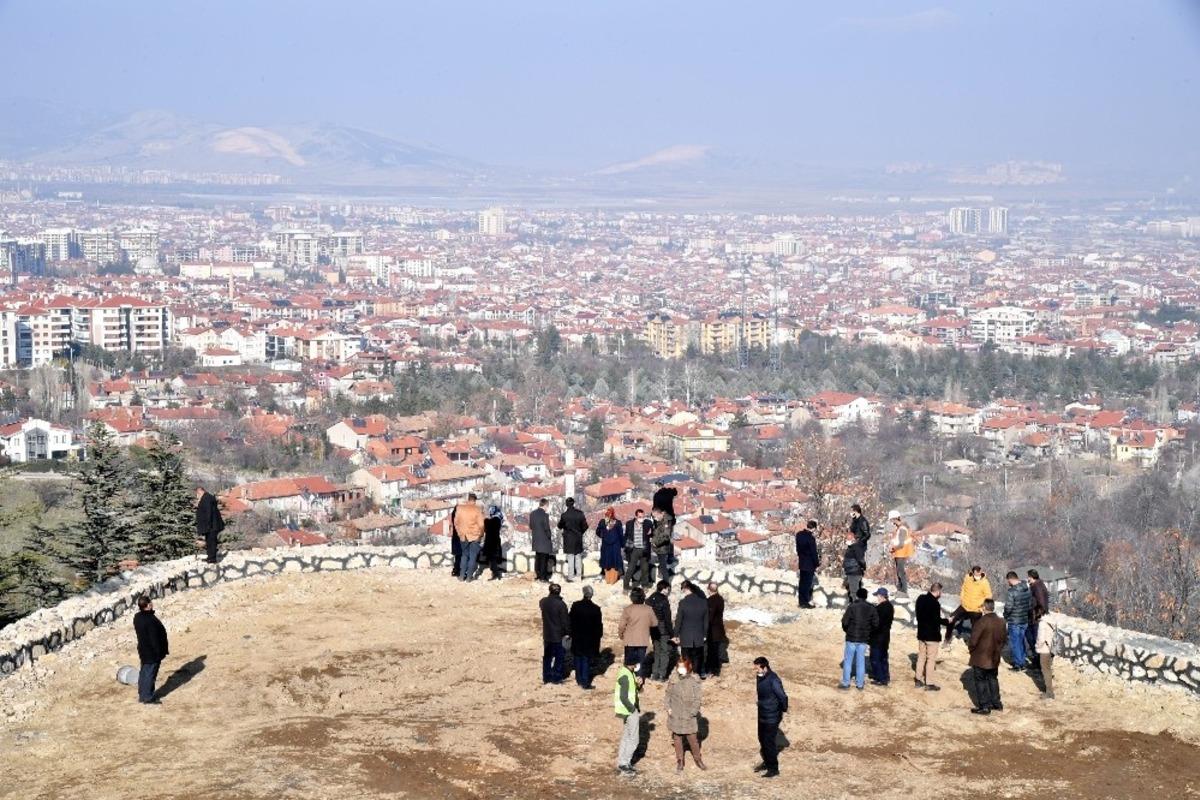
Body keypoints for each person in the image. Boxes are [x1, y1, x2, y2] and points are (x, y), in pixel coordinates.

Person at [665, 655, 706, 772]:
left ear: (688, 667)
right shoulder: (673, 679)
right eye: (679, 667)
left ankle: (698, 759)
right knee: (677, 738)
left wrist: (693, 712)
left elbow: (698, 699)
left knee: (693, 739)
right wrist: (668, 708)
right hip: (676, 714)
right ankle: (680, 761)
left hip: (688, 715)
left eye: (683, 667)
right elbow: (667, 695)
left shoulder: (694, 680)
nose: (680, 669)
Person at [968, 598, 1008, 715]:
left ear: (984, 608)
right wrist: (998, 650)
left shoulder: (981, 622)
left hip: (981, 657)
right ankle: (997, 703)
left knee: (980, 681)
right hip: (994, 656)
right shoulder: (1001, 622)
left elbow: (973, 641)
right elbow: (1004, 640)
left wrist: (972, 650)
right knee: (993, 679)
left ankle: (984, 706)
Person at [753, 656, 787, 779]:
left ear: (764, 667)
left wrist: (782, 710)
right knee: (762, 739)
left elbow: (783, 696)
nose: (756, 670)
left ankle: (773, 769)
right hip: (762, 714)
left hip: (771, 716)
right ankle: (767, 762)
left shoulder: (774, 680)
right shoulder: (760, 676)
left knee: (769, 742)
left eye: (757, 668)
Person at [133, 595, 169, 704]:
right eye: (150, 602)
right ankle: (148, 697)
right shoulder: (150, 620)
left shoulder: (137, 617)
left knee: (144, 672)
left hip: (143, 650)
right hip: (152, 652)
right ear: (148, 605)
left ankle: (142, 694)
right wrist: (159, 653)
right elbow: (154, 638)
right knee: (150, 674)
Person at [840, 587, 877, 690]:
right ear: (866, 596)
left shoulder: (852, 606)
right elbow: (875, 623)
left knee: (848, 661)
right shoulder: (871, 608)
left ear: (857, 595)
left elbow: (844, 622)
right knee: (861, 662)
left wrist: (847, 631)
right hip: (863, 639)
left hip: (851, 638)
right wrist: (868, 632)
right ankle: (860, 684)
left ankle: (846, 683)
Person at [944, 566, 992, 645]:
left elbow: (988, 596)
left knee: (976, 628)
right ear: (973, 572)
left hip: (976, 609)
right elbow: (963, 589)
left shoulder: (984, 582)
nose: (978, 573)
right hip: (964, 606)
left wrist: (982, 607)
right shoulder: (967, 578)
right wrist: (962, 598)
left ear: (981, 572)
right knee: (951, 619)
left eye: (979, 572)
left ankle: (973, 645)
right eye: (976, 572)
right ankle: (947, 639)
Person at [614, 651, 644, 776]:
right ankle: (624, 763)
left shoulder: (628, 672)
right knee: (634, 739)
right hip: (629, 711)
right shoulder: (626, 676)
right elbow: (623, 697)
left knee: (626, 736)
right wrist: (632, 709)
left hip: (626, 711)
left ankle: (622, 762)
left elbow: (634, 691)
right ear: (633, 663)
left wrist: (638, 685)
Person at [914, 582, 947, 691]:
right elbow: (936, 620)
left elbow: (919, 615)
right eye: (941, 592)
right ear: (938, 591)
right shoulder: (935, 604)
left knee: (921, 657)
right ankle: (929, 683)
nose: (941, 594)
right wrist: (947, 621)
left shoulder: (920, 599)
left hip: (921, 634)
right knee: (931, 659)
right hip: (932, 636)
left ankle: (918, 679)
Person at [569, 585, 604, 690]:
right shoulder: (595, 609)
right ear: (591, 595)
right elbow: (598, 626)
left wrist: (570, 633)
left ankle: (579, 679)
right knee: (585, 659)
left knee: (577, 657)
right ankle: (584, 682)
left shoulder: (576, 606)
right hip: (589, 639)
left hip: (577, 636)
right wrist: (598, 637)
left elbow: (570, 620)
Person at [673, 580, 709, 679]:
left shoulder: (683, 602)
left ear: (686, 589)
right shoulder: (704, 602)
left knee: (685, 657)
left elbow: (678, 620)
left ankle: (685, 674)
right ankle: (696, 673)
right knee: (698, 656)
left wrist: (675, 635)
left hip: (686, 635)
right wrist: (705, 634)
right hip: (699, 635)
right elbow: (706, 621)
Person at [618, 587, 656, 676]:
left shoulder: (627, 609)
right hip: (642, 640)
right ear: (643, 597)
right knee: (639, 662)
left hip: (629, 640)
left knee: (628, 662)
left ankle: (628, 679)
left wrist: (621, 635)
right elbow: (654, 623)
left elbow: (621, 626)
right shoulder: (648, 609)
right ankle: (638, 680)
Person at [539, 582, 571, 684]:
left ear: (549, 591)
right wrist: (568, 633)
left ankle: (546, 677)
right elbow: (565, 622)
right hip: (558, 636)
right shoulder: (561, 605)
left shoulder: (543, 602)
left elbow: (541, 604)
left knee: (547, 657)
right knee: (559, 657)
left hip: (547, 634)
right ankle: (556, 678)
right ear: (559, 592)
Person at [1003, 570, 1033, 670]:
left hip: (1014, 621)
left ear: (1010, 579)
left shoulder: (1011, 592)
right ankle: (1022, 661)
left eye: (1008, 581)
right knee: (1021, 641)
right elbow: (1030, 605)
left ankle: (1018, 664)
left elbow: (1008, 607)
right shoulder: (1027, 588)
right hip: (1024, 620)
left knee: (1015, 643)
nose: (1008, 583)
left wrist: (1005, 616)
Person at [646, 580, 675, 682]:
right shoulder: (664, 600)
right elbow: (667, 619)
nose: (669, 591)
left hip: (653, 628)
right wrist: (672, 634)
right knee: (664, 652)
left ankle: (654, 674)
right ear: (664, 589)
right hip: (663, 629)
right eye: (668, 589)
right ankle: (662, 675)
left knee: (657, 651)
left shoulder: (650, 599)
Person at [454, 493, 485, 582]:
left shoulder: (460, 508)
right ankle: (469, 577)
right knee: (473, 557)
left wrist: (459, 533)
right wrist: (481, 534)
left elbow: (456, 523)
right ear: (475, 500)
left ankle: (461, 576)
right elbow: (481, 525)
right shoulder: (477, 509)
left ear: (468, 499)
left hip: (463, 536)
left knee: (464, 556)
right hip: (475, 536)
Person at [557, 498, 589, 582]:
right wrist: (580, 532)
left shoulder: (564, 515)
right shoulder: (580, 513)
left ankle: (570, 577)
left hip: (568, 539)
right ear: (573, 503)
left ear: (566, 504)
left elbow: (559, 526)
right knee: (578, 556)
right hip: (578, 538)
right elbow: (585, 526)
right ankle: (579, 576)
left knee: (570, 557)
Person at [868, 587, 894, 687]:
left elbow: (876, 624)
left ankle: (880, 678)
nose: (877, 598)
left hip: (877, 637)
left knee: (875, 658)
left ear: (881, 596)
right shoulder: (890, 606)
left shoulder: (879, 608)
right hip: (886, 636)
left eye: (878, 596)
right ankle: (886, 676)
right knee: (883, 657)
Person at [623, 509, 652, 591]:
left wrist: (651, 532)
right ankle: (625, 586)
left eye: (643, 517)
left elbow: (653, 532)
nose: (641, 518)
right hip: (634, 550)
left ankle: (645, 585)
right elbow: (626, 535)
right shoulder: (629, 524)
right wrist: (625, 545)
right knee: (630, 568)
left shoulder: (648, 523)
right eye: (640, 517)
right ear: (636, 516)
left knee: (645, 569)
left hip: (644, 549)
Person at [195, 486, 224, 564]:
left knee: (211, 542)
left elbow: (208, 512)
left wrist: (208, 525)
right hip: (212, 524)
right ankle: (210, 557)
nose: (197, 496)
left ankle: (212, 559)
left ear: (199, 491)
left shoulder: (206, 498)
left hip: (211, 525)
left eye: (197, 494)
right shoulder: (207, 497)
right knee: (209, 541)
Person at [887, 510, 913, 596]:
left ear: (894, 519)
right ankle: (900, 590)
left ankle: (903, 591)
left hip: (901, 553)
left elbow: (901, 544)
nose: (891, 522)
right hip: (899, 553)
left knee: (901, 573)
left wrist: (893, 549)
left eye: (891, 520)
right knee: (899, 572)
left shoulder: (902, 529)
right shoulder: (900, 528)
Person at [1027, 569, 1050, 664]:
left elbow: (1041, 603)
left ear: (1032, 577)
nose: (1027, 579)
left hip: (1036, 617)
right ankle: (1038, 660)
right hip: (1035, 616)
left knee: (1035, 639)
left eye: (1028, 577)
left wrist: (1037, 615)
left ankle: (1038, 661)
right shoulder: (1038, 584)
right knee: (1034, 638)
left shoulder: (1037, 587)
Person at [795, 519, 820, 609]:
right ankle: (805, 602)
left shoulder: (799, 535)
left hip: (802, 562)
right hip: (809, 564)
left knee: (802, 583)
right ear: (814, 528)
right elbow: (814, 553)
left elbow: (798, 549)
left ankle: (801, 601)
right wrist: (817, 563)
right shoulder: (811, 538)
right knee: (807, 584)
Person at [705, 582, 728, 678]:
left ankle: (712, 671)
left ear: (708, 589)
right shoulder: (720, 599)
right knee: (715, 651)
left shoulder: (711, 601)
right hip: (719, 629)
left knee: (712, 651)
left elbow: (709, 617)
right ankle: (716, 670)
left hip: (712, 630)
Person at [530, 499, 555, 582]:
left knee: (538, 558)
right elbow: (547, 528)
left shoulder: (532, 514)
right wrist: (549, 536)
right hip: (544, 541)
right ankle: (543, 578)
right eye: (547, 506)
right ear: (545, 505)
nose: (547, 508)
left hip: (536, 539)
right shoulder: (545, 515)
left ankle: (537, 575)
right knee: (544, 559)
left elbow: (531, 526)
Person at [596, 508, 624, 581]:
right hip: (615, 545)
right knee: (615, 560)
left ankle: (606, 575)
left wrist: (603, 534)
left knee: (606, 560)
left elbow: (598, 532)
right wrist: (622, 544)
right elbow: (621, 534)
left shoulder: (602, 522)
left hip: (606, 545)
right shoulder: (617, 522)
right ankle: (617, 575)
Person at [1035, 613, 1058, 700]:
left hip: (1044, 649)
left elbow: (1041, 639)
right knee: (1048, 669)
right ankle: (1049, 690)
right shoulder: (1051, 620)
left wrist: (1037, 647)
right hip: (1051, 648)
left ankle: (1049, 693)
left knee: (1045, 670)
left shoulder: (1042, 623)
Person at [650, 510, 675, 584]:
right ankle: (664, 581)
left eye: (655, 516)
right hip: (659, 548)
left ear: (659, 514)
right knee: (662, 566)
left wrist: (656, 543)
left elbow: (666, 536)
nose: (654, 518)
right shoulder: (660, 521)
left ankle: (666, 584)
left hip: (662, 548)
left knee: (663, 567)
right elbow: (658, 533)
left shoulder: (666, 522)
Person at [481, 505, 505, 580]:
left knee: (492, 559)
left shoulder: (493, 520)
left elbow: (486, 529)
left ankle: (497, 574)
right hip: (495, 542)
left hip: (491, 542)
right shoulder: (498, 520)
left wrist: (485, 519)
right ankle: (496, 574)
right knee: (493, 558)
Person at [842, 532, 866, 599]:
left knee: (854, 592)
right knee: (852, 591)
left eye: (848, 539)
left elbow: (861, 560)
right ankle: (854, 602)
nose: (847, 540)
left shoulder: (856, 547)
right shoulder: (851, 547)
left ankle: (856, 603)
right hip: (851, 571)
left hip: (854, 572)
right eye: (846, 539)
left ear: (853, 539)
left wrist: (863, 567)